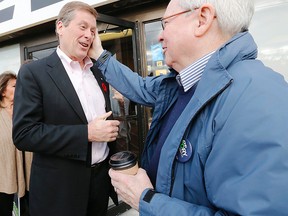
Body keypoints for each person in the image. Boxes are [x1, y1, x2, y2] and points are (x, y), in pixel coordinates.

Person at [89, 0, 288, 215]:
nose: (159, 36)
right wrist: (100, 56)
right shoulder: (182, 84)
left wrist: (147, 200)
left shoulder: (256, 99)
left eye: (165, 23)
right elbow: (139, 87)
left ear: (202, 19)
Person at [12, 1, 120, 216]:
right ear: (60, 27)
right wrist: (86, 133)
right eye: (82, 27)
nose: (89, 35)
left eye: (92, 30)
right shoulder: (35, 72)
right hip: (60, 191)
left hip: (100, 184)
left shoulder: (98, 72)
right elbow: (24, 134)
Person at [0, 71, 26, 216]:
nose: (20, 88)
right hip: (3, 181)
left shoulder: (24, 110)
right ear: (3, 91)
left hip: (28, 178)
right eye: (15, 86)